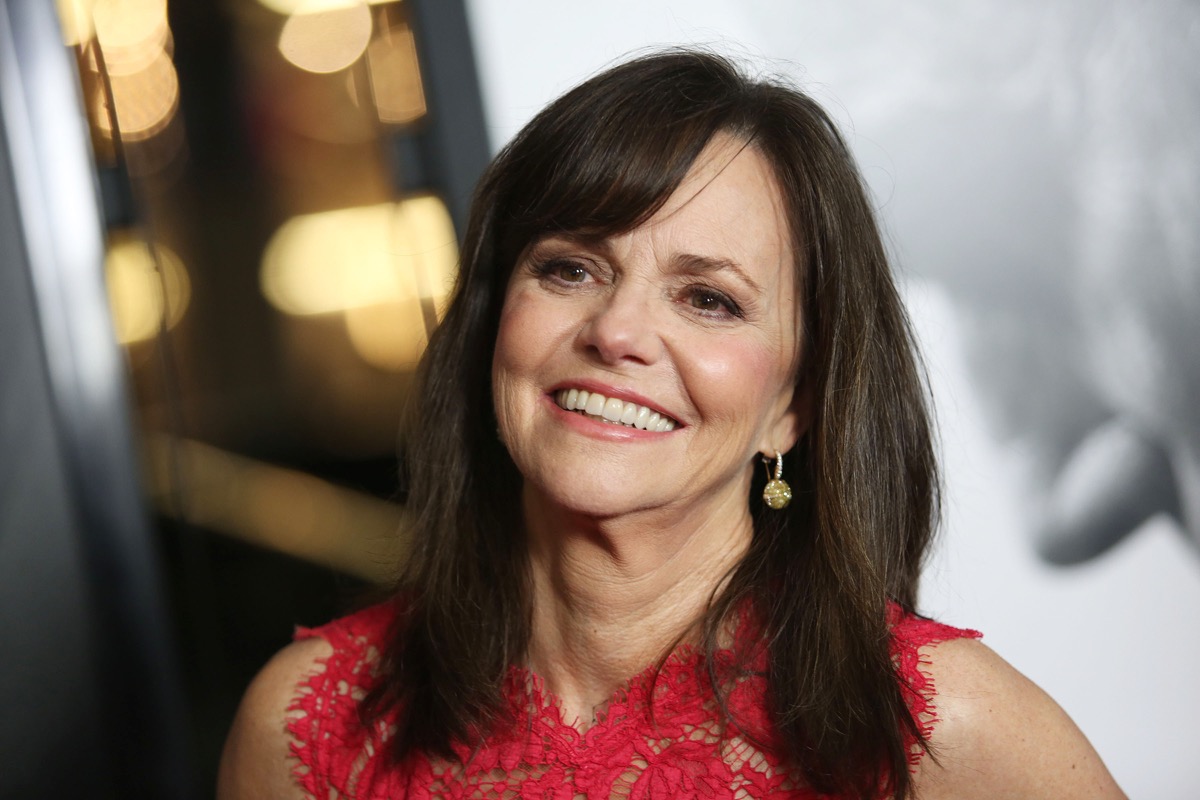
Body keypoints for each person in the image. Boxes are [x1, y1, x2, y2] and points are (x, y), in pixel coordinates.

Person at [218, 49, 1125, 799]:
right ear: (495, 322)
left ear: (795, 407)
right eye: (571, 269)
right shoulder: (307, 728)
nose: (616, 332)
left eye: (708, 299)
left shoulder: (944, 734)